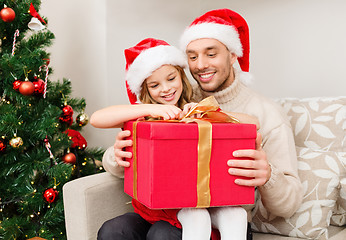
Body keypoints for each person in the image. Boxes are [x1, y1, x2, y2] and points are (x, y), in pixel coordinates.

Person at [103, 8, 304, 240]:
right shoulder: (178, 98)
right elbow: (136, 140)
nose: (200, 65)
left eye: (211, 54)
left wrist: (268, 175)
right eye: (193, 56)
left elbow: (288, 205)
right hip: (167, 207)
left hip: (222, 217)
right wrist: (118, 156)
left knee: (164, 233)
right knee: (113, 231)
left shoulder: (267, 113)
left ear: (232, 55)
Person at [92, 38, 259, 240]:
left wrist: (207, 112)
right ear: (145, 90)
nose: (165, 89)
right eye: (154, 85)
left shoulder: (193, 108)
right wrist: (150, 108)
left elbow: (252, 122)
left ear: (181, 76)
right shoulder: (143, 116)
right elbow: (96, 118)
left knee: (214, 217)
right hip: (154, 208)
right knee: (112, 230)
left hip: (194, 202)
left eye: (171, 79)